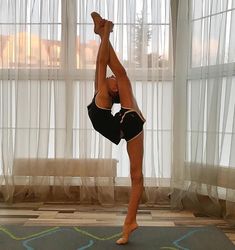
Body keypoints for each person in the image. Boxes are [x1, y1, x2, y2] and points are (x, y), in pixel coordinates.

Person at [87, 12, 145, 245]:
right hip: (123, 123)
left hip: (128, 122)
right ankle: (103, 31)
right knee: (136, 175)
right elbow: (102, 63)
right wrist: (104, 34)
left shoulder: (107, 94)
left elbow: (108, 65)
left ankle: (130, 221)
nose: (112, 77)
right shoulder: (102, 92)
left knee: (136, 175)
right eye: (112, 79)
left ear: (115, 92)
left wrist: (105, 34)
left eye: (112, 79)